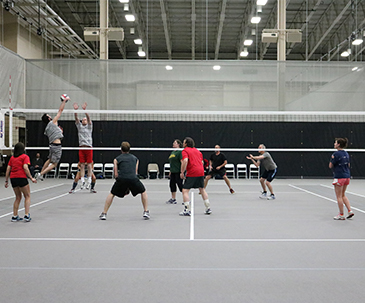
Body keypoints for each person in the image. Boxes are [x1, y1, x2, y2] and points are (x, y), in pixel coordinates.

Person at [99, 141, 150, 220]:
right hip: (133, 178)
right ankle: (146, 211)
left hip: (122, 179)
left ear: (121, 149)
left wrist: (120, 182)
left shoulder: (116, 159)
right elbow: (135, 172)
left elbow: (116, 174)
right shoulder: (136, 159)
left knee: (112, 194)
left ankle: (104, 213)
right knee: (143, 192)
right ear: (129, 149)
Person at [37, 95, 69, 180]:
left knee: (49, 159)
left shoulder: (47, 128)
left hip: (51, 145)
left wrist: (59, 132)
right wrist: (64, 101)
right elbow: (60, 111)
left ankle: (41, 173)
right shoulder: (52, 122)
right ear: (49, 118)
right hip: (56, 146)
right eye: (49, 115)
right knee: (54, 164)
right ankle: (41, 174)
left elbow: (54, 134)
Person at [179, 137, 212, 216]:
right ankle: (208, 208)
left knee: (185, 190)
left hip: (192, 172)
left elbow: (185, 160)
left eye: (183, 142)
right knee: (202, 189)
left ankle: (187, 209)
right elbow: (202, 162)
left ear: (186, 144)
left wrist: (182, 172)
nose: (183, 143)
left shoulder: (185, 151)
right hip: (200, 171)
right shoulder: (197, 151)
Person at [5, 142, 37, 222]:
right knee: (27, 196)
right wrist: (31, 177)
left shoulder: (12, 158)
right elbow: (25, 167)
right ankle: (26, 215)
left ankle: (15, 216)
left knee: (18, 197)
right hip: (21, 177)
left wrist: (6, 180)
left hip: (13, 179)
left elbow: (8, 169)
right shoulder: (25, 157)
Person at [329, 137, 354, 220]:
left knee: (339, 196)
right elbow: (348, 165)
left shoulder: (335, 154)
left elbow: (330, 165)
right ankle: (350, 211)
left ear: (338, 144)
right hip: (347, 176)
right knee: (343, 195)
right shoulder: (346, 153)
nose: (334, 144)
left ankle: (341, 214)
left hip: (339, 177)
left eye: (335, 143)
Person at [74, 102, 93, 189]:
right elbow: (76, 118)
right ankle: (82, 181)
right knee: (82, 165)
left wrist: (85, 111)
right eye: (83, 119)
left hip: (89, 147)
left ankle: (89, 181)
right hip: (81, 147)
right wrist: (76, 110)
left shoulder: (89, 127)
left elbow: (89, 118)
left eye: (85, 119)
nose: (84, 120)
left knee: (89, 165)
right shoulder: (80, 126)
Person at [166, 139, 183, 204]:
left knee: (180, 185)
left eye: (175, 143)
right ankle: (173, 198)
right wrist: (170, 171)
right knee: (172, 185)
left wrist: (182, 171)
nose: (173, 144)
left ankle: (185, 199)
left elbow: (182, 162)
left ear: (178, 144)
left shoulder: (180, 152)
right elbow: (171, 162)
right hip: (173, 171)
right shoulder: (173, 152)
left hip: (178, 171)